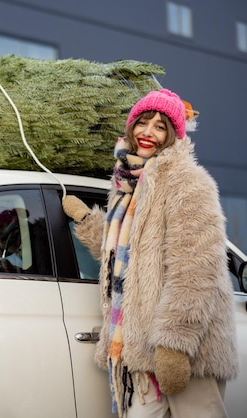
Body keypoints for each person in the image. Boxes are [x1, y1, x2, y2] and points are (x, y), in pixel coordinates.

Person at [62, 89, 238, 418]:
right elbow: (129, 256)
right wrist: (87, 220)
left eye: (160, 126)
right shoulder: (125, 185)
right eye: (142, 122)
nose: (148, 132)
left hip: (188, 349)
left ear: (172, 135)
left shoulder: (188, 183)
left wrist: (174, 344)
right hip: (138, 343)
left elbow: (197, 270)